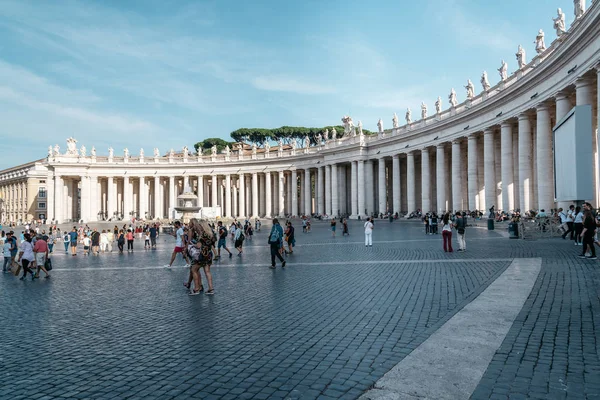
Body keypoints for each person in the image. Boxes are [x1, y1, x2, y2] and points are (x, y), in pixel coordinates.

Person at [186, 218, 216, 295]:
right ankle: (211, 288)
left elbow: (199, 246)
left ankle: (196, 289)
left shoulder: (202, 235)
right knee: (207, 272)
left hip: (202, 255)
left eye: (200, 226)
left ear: (202, 226)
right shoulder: (210, 234)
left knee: (194, 270)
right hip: (209, 254)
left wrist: (193, 245)